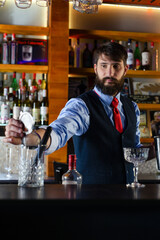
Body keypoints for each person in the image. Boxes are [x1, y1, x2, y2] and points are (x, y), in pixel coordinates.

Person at [5, 42, 142, 184]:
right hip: (92, 201)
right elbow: (58, 131)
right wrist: (28, 139)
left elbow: (136, 152)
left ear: (125, 69)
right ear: (95, 68)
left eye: (116, 66)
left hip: (129, 199)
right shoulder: (81, 106)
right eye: (104, 65)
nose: (110, 73)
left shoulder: (132, 108)